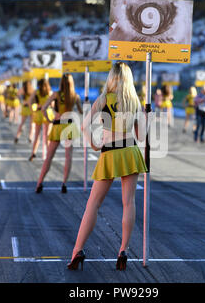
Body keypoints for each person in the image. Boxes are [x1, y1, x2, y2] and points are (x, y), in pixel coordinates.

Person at [68, 62, 147, 271]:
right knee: (128, 203)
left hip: (109, 152)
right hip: (130, 151)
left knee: (93, 204)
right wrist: (144, 119)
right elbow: (141, 137)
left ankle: (77, 250)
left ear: (111, 78)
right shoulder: (134, 101)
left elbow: (84, 126)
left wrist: (94, 144)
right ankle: (123, 250)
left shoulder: (103, 99)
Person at [35, 74, 83, 194]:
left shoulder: (56, 94)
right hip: (69, 125)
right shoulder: (75, 96)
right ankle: (64, 184)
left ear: (61, 82)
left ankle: (39, 182)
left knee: (49, 157)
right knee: (68, 157)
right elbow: (81, 111)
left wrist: (49, 119)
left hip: (57, 124)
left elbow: (43, 108)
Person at [28, 78, 54, 161]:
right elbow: (53, 105)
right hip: (48, 113)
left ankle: (33, 152)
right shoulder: (50, 92)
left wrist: (33, 110)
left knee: (37, 135)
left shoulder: (37, 92)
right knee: (47, 136)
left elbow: (29, 101)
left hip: (39, 113)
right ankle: (48, 155)